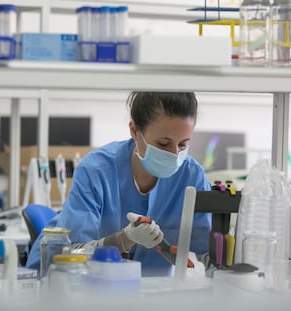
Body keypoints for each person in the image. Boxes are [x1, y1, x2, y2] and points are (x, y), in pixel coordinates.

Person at [26, 91, 212, 277]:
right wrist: (124, 239)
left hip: (148, 292)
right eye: (163, 144)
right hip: (65, 282)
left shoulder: (192, 176)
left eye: (183, 145)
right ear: (134, 131)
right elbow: (72, 254)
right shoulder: (97, 170)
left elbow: (208, 248)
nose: (174, 154)